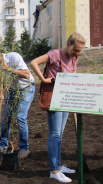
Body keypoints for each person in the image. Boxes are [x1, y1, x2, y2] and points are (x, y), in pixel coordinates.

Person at [29, 32, 86, 183]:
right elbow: (33, 62)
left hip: (65, 98)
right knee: (54, 135)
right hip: (54, 98)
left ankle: (59, 166)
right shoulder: (54, 54)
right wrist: (43, 79)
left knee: (59, 134)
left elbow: (73, 73)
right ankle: (54, 171)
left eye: (80, 50)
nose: (77, 53)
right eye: (76, 49)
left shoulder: (74, 57)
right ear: (68, 45)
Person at [0, 45, 35, 159]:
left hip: (26, 88)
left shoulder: (14, 57)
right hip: (12, 91)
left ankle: (24, 148)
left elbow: (26, 74)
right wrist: (0, 93)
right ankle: (2, 145)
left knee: (21, 117)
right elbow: (0, 86)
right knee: (6, 117)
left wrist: (9, 69)